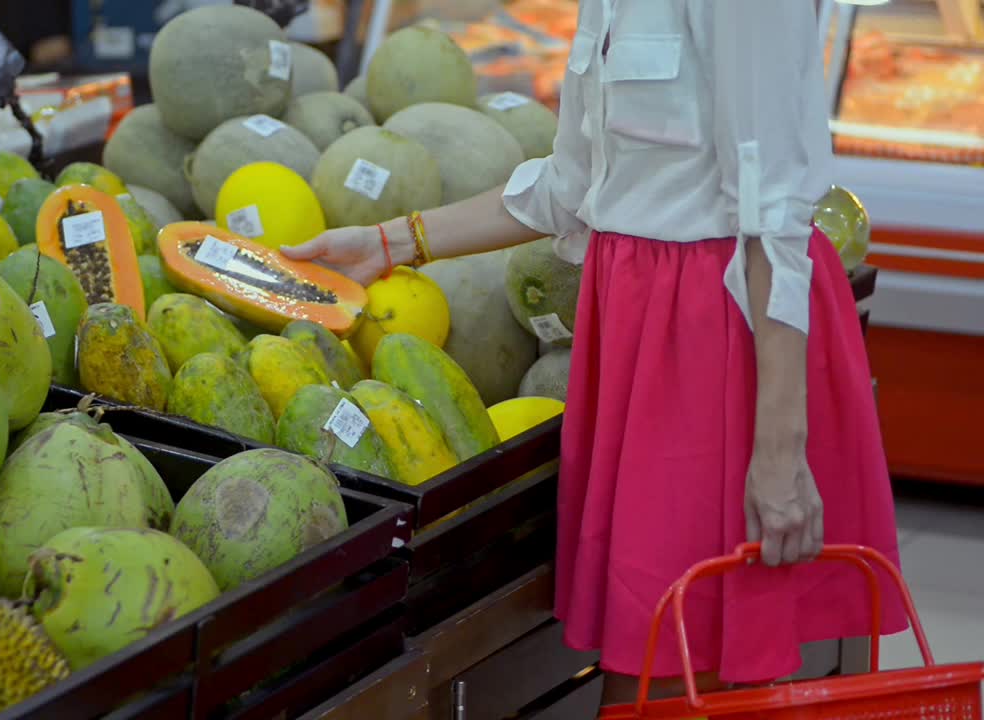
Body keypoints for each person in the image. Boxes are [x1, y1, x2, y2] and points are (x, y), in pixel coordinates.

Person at [282, 0, 907, 707]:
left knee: (679, 654)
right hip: (640, 336)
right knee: (656, 650)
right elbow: (573, 188)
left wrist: (781, 454)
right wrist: (391, 241)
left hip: (720, 341)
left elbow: (776, 221)